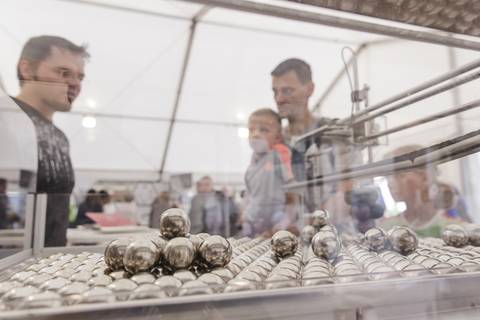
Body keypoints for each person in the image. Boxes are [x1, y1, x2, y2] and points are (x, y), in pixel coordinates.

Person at [271, 58, 383, 233]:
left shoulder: (335, 134)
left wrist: (313, 223)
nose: (279, 99)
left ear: (309, 89)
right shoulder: (275, 143)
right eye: (275, 91)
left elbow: (349, 189)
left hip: (337, 240)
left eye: (287, 91)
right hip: (288, 240)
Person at [13, 35, 89, 246]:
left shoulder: (60, 137)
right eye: (63, 73)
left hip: (47, 268)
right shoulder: (6, 119)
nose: (74, 84)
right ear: (27, 69)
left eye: (80, 77)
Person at [379, 145, 469, 237]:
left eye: (399, 175)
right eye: (387, 177)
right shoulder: (387, 228)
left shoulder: (455, 229)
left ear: (425, 177)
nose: (390, 183)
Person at [243, 108, 296, 237]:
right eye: (252, 129)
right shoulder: (250, 167)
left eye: (264, 130)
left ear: (278, 137)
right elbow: (249, 195)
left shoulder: (279, 156)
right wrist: (244, 215)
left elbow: (292, 189)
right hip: (253, 224)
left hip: (276, 223)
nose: (255, 134)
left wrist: (287, 219)